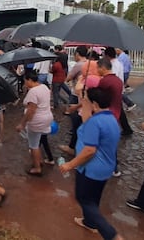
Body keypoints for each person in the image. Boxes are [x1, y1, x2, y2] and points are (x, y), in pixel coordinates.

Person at [59, 88, 123, 240]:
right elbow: (88, 123)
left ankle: (111, 235)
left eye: (86, 100)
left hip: (91, 169)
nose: (83, 102)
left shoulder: (96, 122)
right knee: (93, 198)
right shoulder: (111, 118)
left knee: (84, 199)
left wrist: (70, 165)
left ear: (94, 104)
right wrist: (85, 105)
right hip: (105, 169)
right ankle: (89, 222)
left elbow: (89, 151)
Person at [16, 69, 55, 176]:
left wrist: (22, 124)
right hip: (46, 117)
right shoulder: (44, 87)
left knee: (33, 145)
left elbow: (31, 111)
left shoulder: (33, 92)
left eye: (25, 81)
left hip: (37, 120)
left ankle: (37, 167)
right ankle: (40, 160)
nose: (24, 83)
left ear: (29, 80)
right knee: (37, 140)